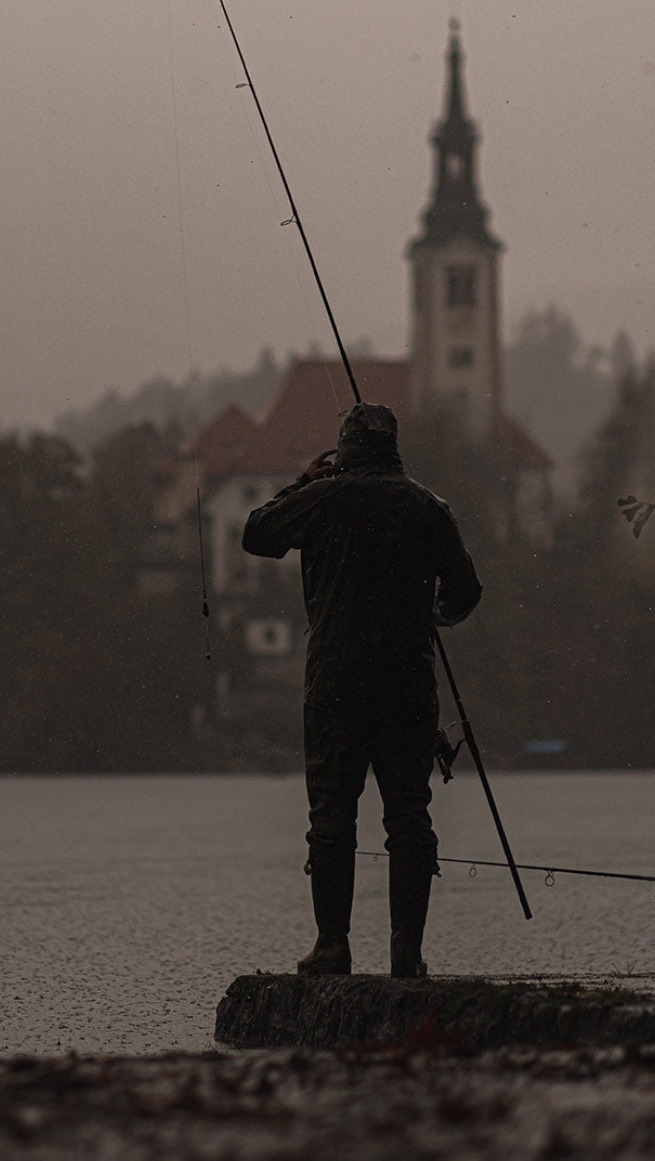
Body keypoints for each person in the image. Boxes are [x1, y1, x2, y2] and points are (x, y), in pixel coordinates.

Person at [242, 403, 482, 978]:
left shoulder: (322, 498)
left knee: (332, 814)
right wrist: (432, 616)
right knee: (409, 814)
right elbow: (466, 592)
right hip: (407, 684)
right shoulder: (429, 507)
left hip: (335, 684)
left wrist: (302, 482)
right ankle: (406, 952)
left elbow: (256, 534)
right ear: (393, 446)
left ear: (344, 447)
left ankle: (332, 946)